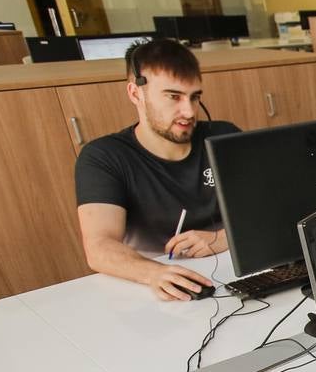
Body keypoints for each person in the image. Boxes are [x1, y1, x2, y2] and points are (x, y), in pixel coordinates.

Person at [74, 38, 240, 301]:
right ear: (135, 93)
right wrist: (154, 273)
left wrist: (221, 238)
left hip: (230, 274)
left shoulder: (223, 137)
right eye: (174, 97)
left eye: (194, 97)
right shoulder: (104, 157)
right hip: (153, 290)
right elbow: (100, 246)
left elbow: (267, 209)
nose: (188, 111)